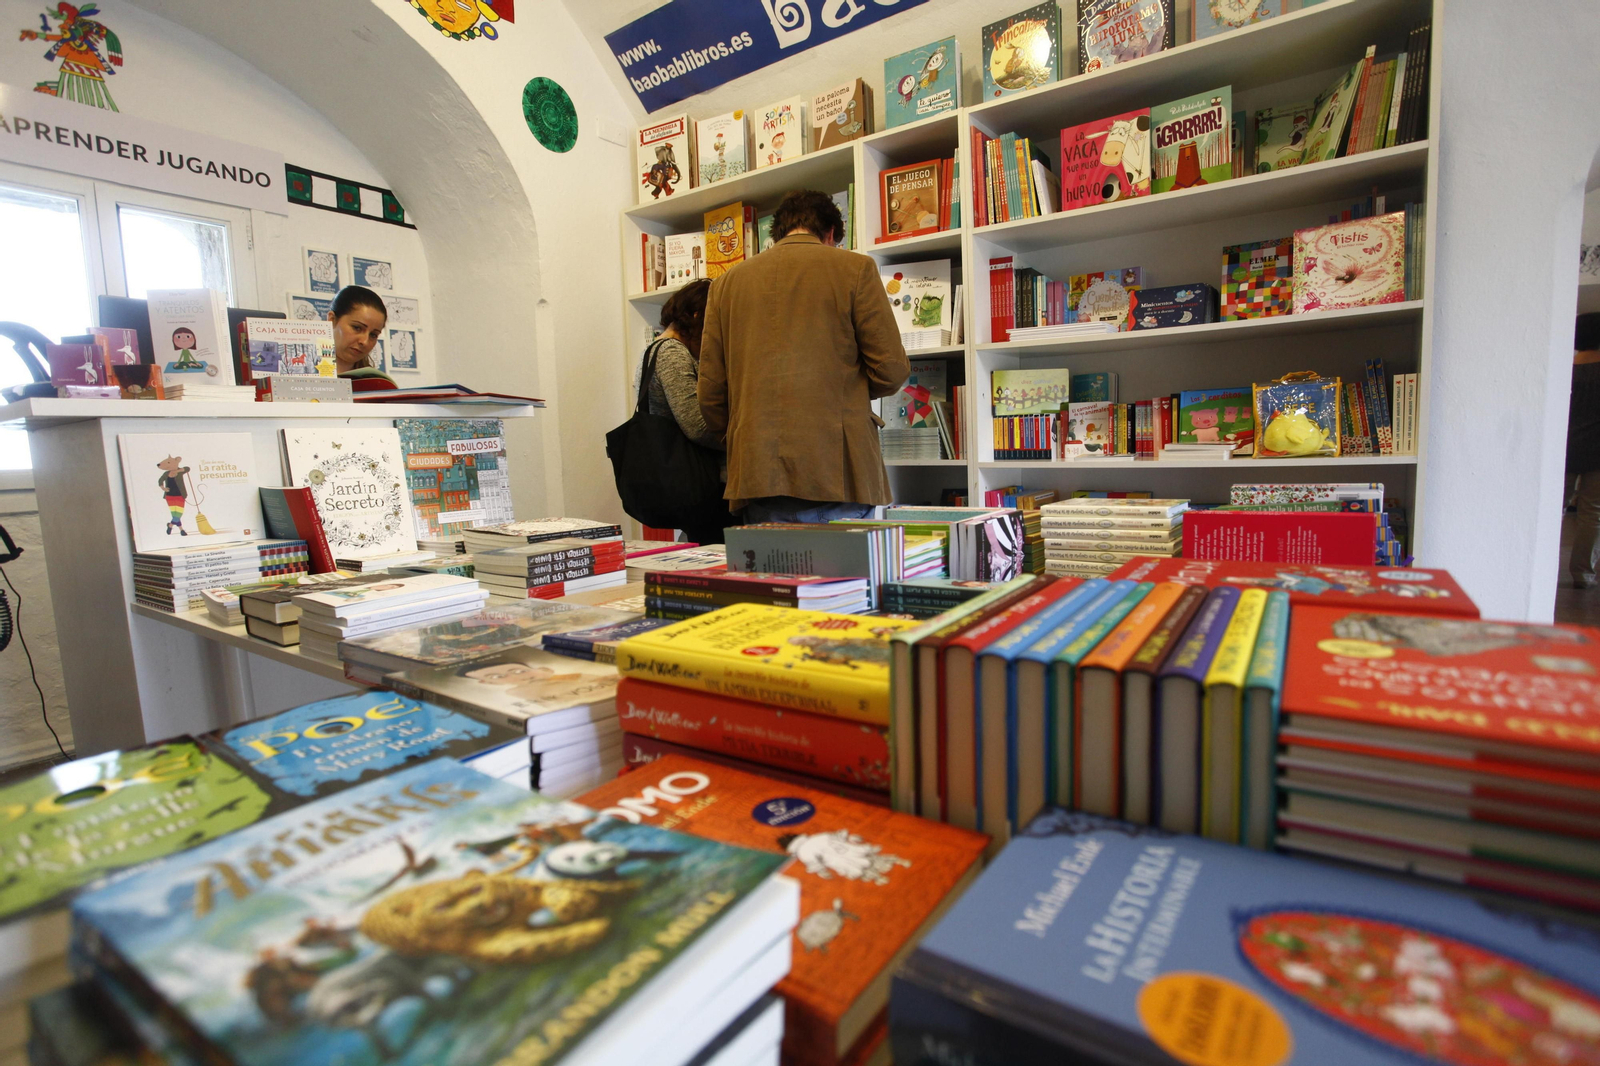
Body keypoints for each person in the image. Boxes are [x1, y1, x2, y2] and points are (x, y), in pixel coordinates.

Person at [697, 190, 909, 524]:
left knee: (769, 560)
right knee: (844, 560)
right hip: (838, 469)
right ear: (830, 234)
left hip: (756, 472)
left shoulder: (725, 285)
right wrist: (844, 395)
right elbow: (891, 370)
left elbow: (710, 394)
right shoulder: (855, 268)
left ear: (778, 232)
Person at [634, 279, 735, 545]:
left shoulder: (655, 350)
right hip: (699, 480)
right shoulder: (671, 352)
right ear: (697, 316)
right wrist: (743, 445)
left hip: (684, 478)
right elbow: (697, 426)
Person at [1568, 312, 1600, 588]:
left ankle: (1541, 566)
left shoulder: (1565, 371)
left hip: (1564, 449)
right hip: (1597, 451)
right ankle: (1583, 575)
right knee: (1592, 514)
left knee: (1551, 510)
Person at [328, 285, 393, 380]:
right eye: (357, 328)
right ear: (332, 320)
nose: (364, 342)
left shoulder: (375, 382)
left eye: (373, 335)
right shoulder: (306, 370)